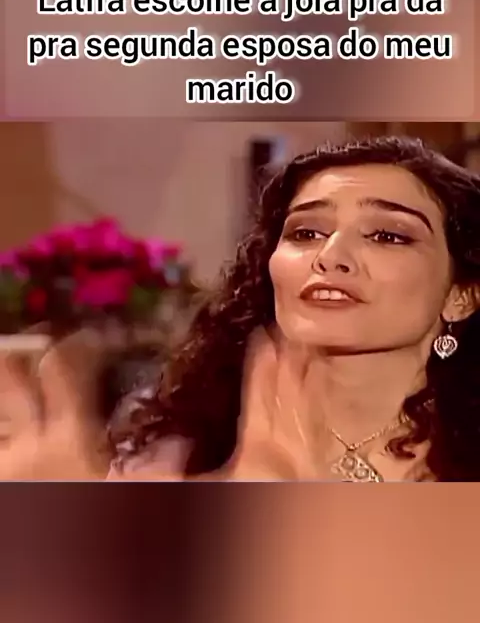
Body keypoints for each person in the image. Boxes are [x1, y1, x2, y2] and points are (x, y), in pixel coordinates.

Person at [1, 134, 480, 481]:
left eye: (388, 235)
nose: (330, 256)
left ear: (462, 295)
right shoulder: (177, 453)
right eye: (305, 233)